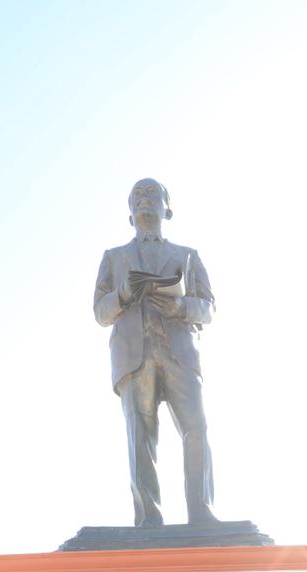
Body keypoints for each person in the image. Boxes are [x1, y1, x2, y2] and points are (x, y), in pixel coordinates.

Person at [94, 178, 218, 527]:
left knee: (196, 428)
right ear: (129, 214)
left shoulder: (187, 256)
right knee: (140, 436)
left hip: (180, 352)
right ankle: (148, 518)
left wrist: (180, 306)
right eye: (136, 195)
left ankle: (201, 512)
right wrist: (123, 294)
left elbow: (209, 308)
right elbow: (100, 312)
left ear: (168, 209)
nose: (143, 198)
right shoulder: (113, 258)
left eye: (151, 193)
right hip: (133, 356)